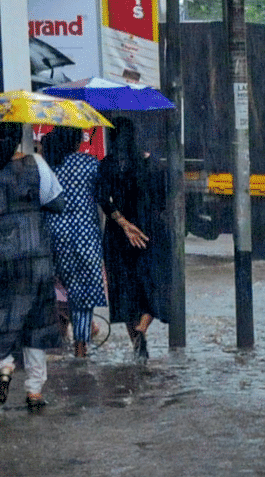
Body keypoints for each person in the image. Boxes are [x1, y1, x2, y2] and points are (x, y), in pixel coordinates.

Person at [0, 121, 66, 410]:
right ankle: (34, 391)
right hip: (34, 251)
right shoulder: (36, 163)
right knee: (37, 322)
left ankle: (5, 367)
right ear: (19, 138)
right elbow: (58, 202)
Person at [96, 117, 171, 360]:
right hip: (148, 232)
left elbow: (102, 199)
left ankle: (136, 341)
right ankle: (142, 329)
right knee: (152, 285)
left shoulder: (107, 165)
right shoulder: (150, 164)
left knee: (125, 290)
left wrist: (124, 224)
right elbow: (163, 198)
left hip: (119, 237)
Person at [41, 126, 106, 359]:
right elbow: (103, 195)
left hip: (55, 236)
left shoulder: (48, 167)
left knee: (58, 290)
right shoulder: (90, 165)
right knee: (84, 295)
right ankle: (81, 349)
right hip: (85, 237)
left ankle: (57, 344)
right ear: (77, 140)